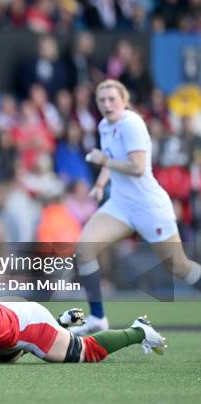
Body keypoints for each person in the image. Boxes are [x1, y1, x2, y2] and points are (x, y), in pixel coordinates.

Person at [72, 79, 201, 335]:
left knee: (177, 265)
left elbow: (137, 167)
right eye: (102, 100)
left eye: (112, 99)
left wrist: (103, 159)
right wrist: (100, 185)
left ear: (124, 101)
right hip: (120, 204)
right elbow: (113, 161)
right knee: (84, 250)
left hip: (148, 205)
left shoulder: (131, 124)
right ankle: (97, 318)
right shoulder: (103, 125)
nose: (107, 104)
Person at [0, 252, 166, 366]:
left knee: (86, 352)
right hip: (2, 335)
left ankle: (138, 330)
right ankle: (62, 324)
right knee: (0, 355)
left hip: (30, 326)